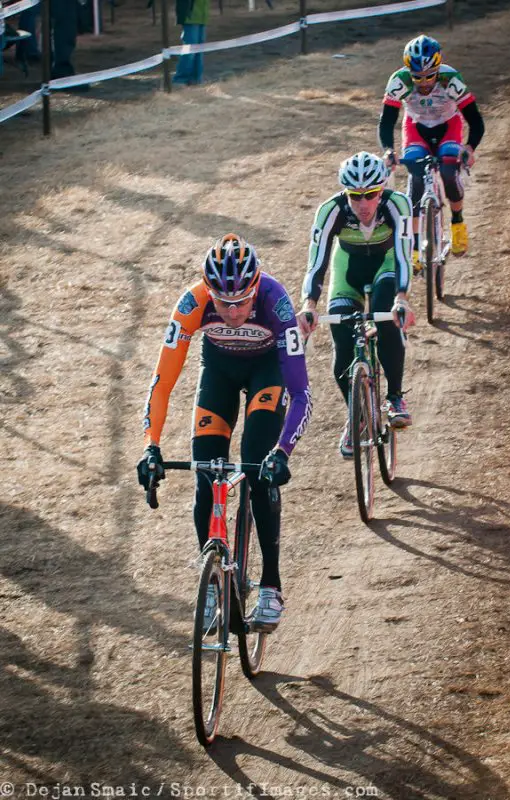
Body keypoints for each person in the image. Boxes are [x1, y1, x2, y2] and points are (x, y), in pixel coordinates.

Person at [137, 234, 312, 632]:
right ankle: (214, 582)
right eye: (222, 303)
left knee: (257, 463)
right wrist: (152, 447)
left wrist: (282, 451)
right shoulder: (192, 302)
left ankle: (271, 584)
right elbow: (161, 383)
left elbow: (301, 393)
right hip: (218, 370)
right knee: (206, 475)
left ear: (256, 289)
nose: (232, 313)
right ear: (207, 291)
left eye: (241, 302)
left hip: (267, 370)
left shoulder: (276, 301)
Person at [297, 152, 415, 459]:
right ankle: (357, 414)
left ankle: (395, 398)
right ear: (345, 193)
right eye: (355, 196)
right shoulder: (330, 210)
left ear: (382, 189)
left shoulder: (397, 204)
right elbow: (317, 261)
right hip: (347, 268)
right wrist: (309, 304)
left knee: (385, 313)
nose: (363, 205)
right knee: (341, 341)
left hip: (385, 265)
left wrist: (402, 298)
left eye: (371, 195)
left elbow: (403, 254)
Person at [379, 34, 485, 267]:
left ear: (438, 68)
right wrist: (388, 150)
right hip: (416, 128)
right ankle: (416, 247)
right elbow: (387, 121)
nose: (424, 82)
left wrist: (469, 147)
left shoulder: (451, 78)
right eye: (417, 77)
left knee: (448, 171)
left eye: (430, 76)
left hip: (449, 126)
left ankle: (457, 222)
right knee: (416, 182)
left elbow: (475, 120)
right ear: (409, 71)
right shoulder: (399, 80)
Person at [173, 0, 210, 86]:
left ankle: (196, 79)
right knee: (189, 50)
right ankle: (181, 79)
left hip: (202, 15)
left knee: (199, 50)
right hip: (190, 16)